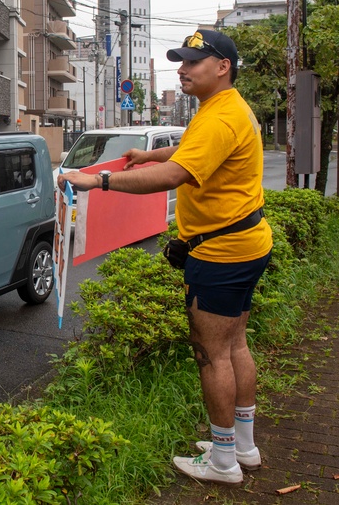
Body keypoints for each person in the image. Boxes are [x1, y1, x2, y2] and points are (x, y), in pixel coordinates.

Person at [58, 29, 273, 486]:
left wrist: (100, 183)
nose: (182, 68)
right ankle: (244, 446)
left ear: (222, 67)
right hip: (246, 243)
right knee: (236, 345)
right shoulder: (226, 110)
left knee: (212, 354)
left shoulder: (218, 117)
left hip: (219, 254)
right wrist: (145, 153)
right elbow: (191, 154)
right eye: (181, 61)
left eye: (193, 61)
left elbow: (176, 174)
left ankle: (221, 461)